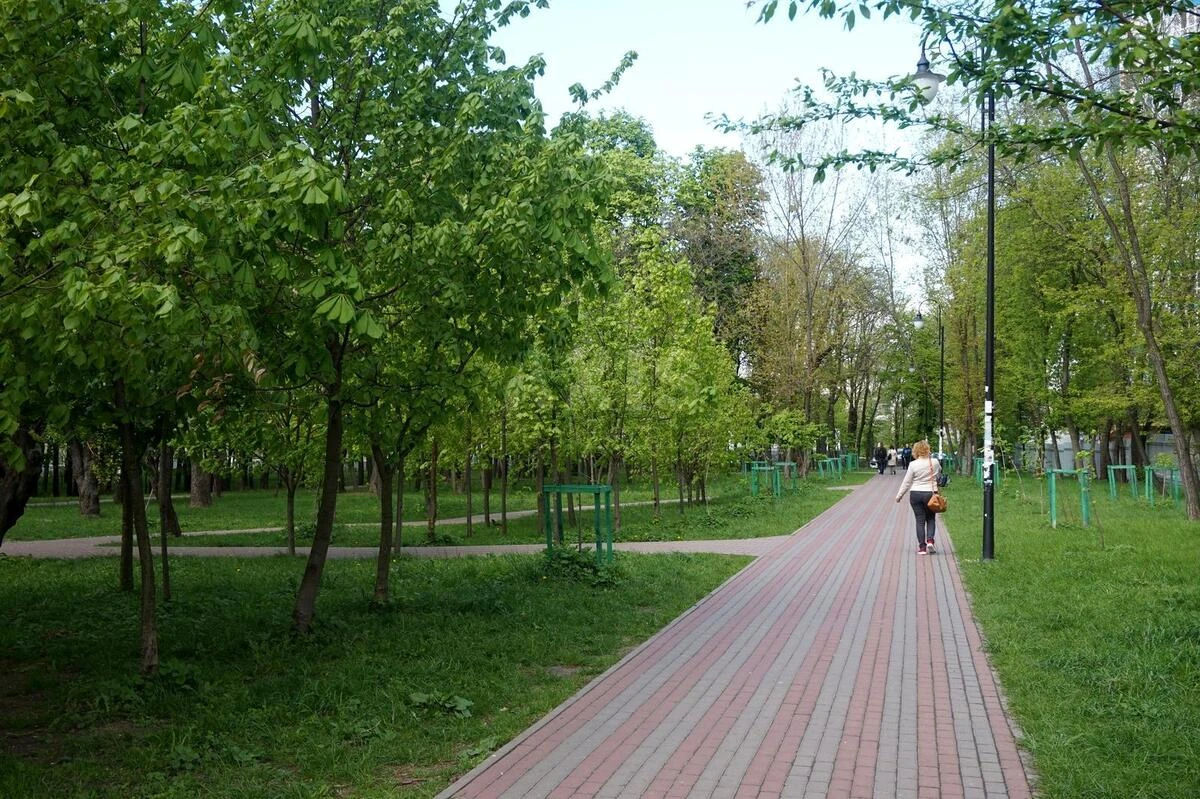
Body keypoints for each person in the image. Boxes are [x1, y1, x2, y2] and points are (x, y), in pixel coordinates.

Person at [895, 440, 943, 555]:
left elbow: (907, 482)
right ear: (928, 449)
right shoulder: (935, 462)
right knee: (931, 518)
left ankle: (922, 548)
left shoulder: (913, 464)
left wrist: (899, 495)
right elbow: (939, 475)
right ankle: (930, 540)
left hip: (915, 494)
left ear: (915, 451)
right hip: (931, 494)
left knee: (920, 520)